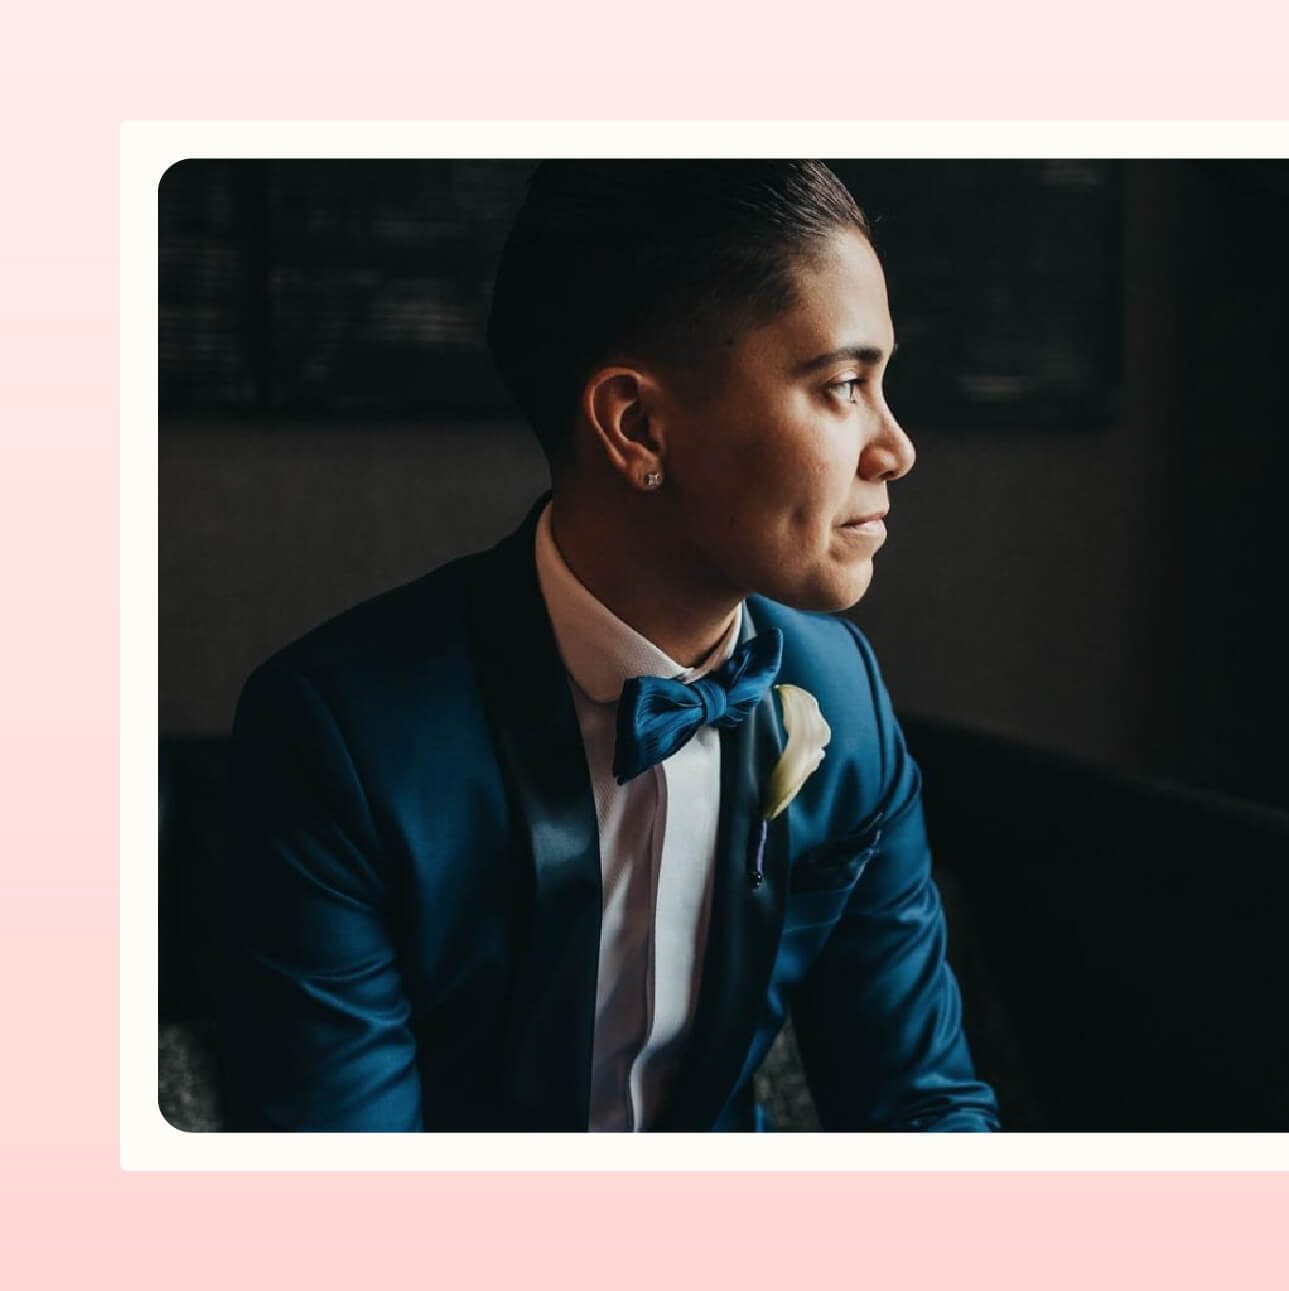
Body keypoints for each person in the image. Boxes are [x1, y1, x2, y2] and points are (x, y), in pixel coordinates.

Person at [220, 160, 1000, 1132]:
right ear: (637, 426)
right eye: (842, 384)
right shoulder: (343, 735)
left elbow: (919, 1101)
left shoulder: (839, 697)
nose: (894, 447)